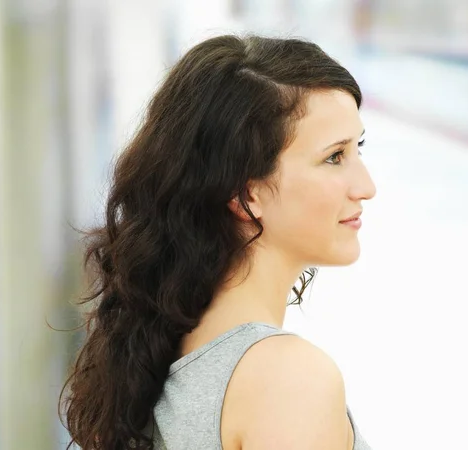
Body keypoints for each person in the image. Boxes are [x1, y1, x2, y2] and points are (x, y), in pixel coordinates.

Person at [60, 33, 376, 450]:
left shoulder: (160, 363)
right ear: (248, 195)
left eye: (360, 148)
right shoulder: (287, 381)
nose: (366, 186)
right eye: (334, 157)